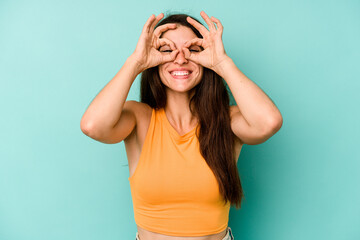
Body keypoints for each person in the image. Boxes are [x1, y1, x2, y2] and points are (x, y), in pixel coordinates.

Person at [80, 11, 283, 240]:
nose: (180, 59)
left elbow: (269, 122)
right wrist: (136, 62)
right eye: (167, 50)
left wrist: (222, 63)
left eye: (192, 50)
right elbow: (92, 126)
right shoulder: (140, 118)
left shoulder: (227, 121)